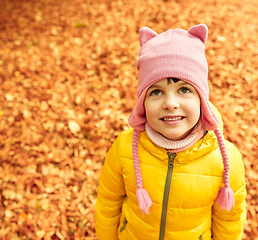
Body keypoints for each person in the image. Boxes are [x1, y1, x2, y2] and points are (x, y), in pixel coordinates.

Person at [95, 24, 247, 240]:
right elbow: (108, 205)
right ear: (142, 103)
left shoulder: (226, 161)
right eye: (156, 91)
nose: (170, 103)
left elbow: (229, 222)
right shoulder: (125, 148)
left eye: (184, 89)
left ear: (202, 100)